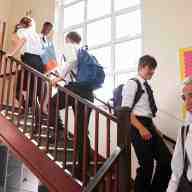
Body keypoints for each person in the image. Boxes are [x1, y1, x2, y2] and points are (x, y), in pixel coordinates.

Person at [121, 55, 172, 192]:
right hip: (136, 125)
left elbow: (146, 112)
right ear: (142, 67)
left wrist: (155, 129)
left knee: (166, 160)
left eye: (153, 69)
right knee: (147, 165)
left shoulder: (146, 86)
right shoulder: (132, 83)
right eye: (150, 68)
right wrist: (141, 128)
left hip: (148, 124)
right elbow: (126, 111)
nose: (152, 72)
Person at [50, 31, 94, 180]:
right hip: (88, 93)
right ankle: (83, 167)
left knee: (51, 104)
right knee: (81, 131)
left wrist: (59, 77)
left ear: (68, 39)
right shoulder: (85, 51)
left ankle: (60, 130)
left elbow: (71, 61)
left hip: (75, 89)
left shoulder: (71, 47)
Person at [167, 77, 192, 192]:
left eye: (191, 95)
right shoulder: (184, 131)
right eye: (184, 97)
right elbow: (176, 171)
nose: (187, 102)